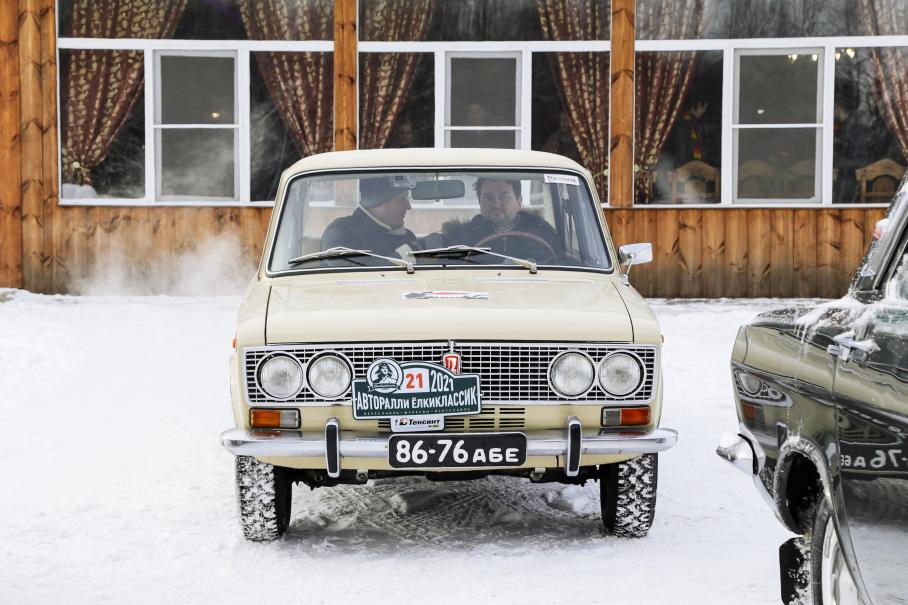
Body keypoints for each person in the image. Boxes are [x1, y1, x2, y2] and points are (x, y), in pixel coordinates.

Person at [443, 178, 558, 260]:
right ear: (479, 202)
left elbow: (560, 266)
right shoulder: (460, 237)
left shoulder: (543, 233)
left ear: (519, 201)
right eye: (488, 198)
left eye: (504, 197)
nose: (496, 204)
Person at [320, 176, 420, 263]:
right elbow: (364, 272)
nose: (408, 206)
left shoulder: (406, 236)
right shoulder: (340, 233)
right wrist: (419, 249)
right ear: (381, 201)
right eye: (403, 198)